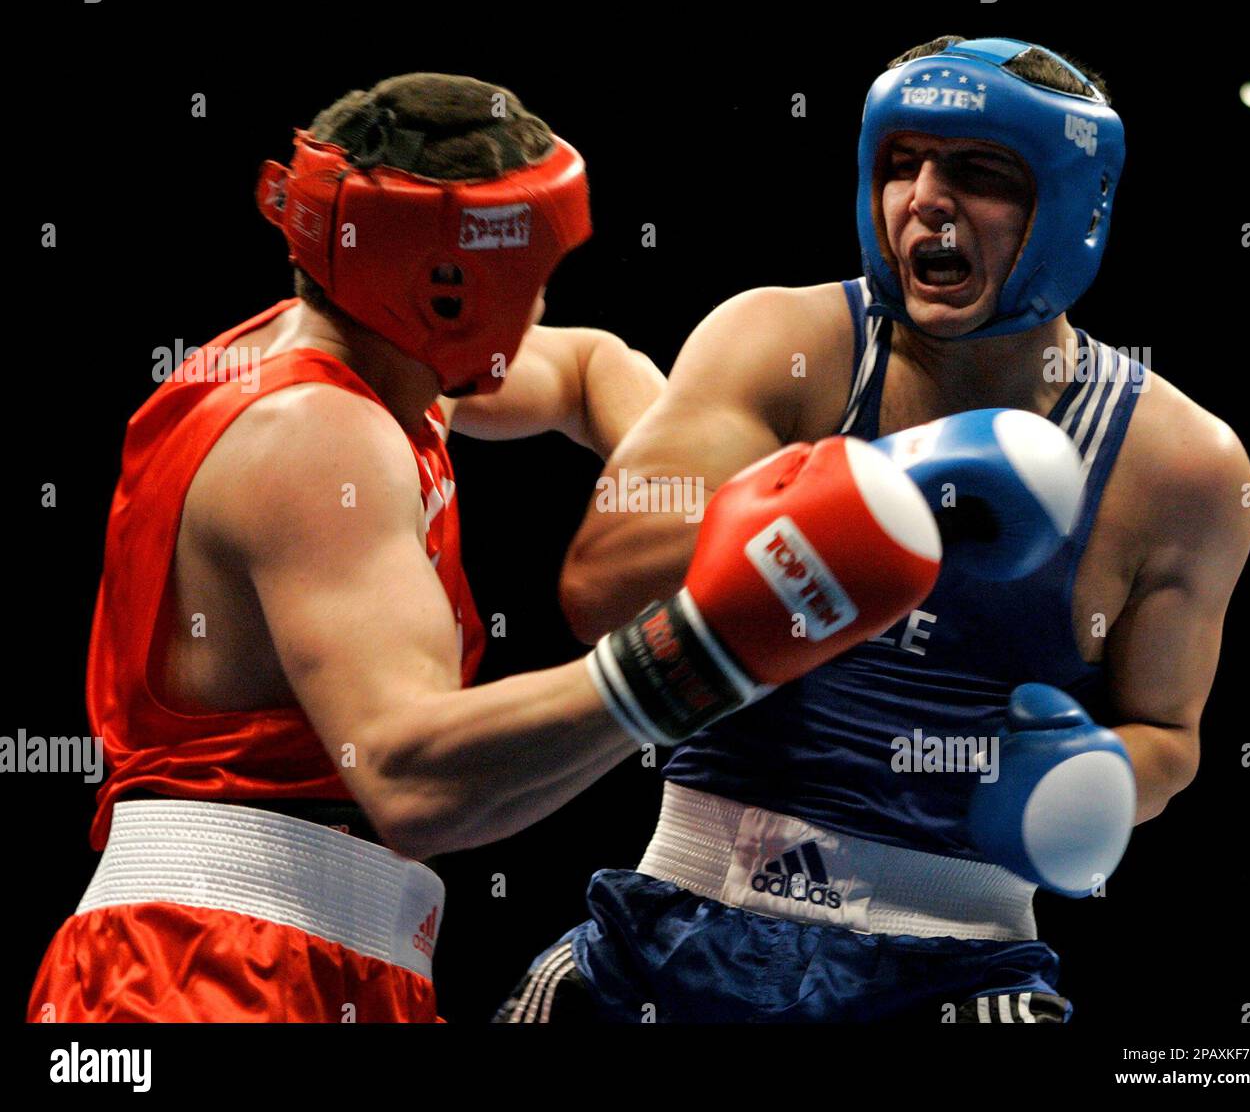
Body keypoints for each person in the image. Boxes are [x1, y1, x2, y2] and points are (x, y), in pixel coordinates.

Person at [27, 72, 951, 1023]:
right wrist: (707, 647)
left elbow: (591, 366)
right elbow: (410, 782)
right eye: (533, 278)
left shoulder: (380, 361)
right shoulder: (315, 438)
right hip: (211, 971)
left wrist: (709, 512)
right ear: (450, 290)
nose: (545, 304)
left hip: (301, 952)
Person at [498, 37, 1250, 1024]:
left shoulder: (1182, 465)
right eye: (901, 163)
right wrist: (858, 496)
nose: (924, 200)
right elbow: (600, 584)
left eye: (980, 173)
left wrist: (1095, 786)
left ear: (1077, 206)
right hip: (679, 919)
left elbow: (1168, 734)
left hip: (956, 968)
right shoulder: (779, 344)